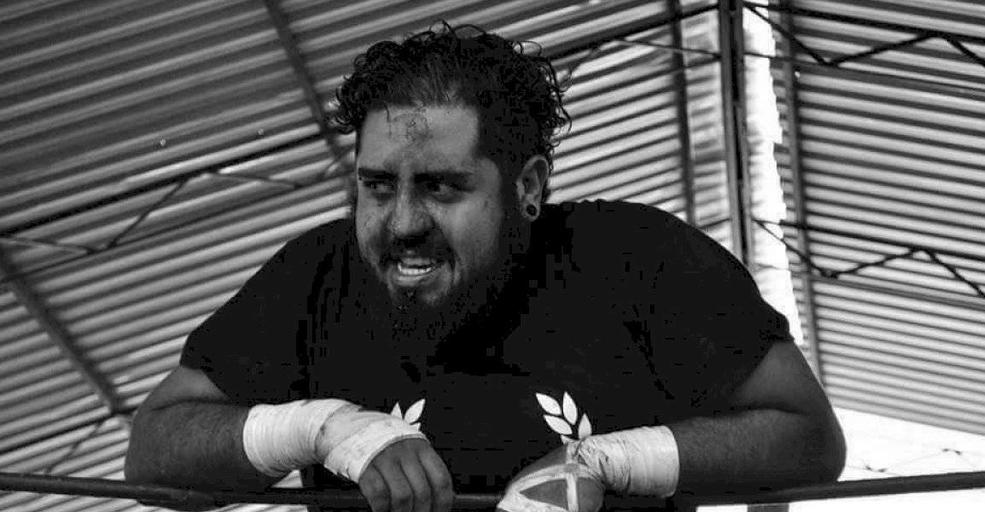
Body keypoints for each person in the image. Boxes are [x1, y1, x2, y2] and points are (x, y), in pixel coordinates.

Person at [124, 22, 845, 512]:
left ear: (527, 188)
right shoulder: (316, 274)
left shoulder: (639, 257)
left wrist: (606, 462)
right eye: (377, 186)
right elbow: (153, 453)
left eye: (441, 187)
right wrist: (322, 428)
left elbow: (809, 437)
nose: (402, 222)